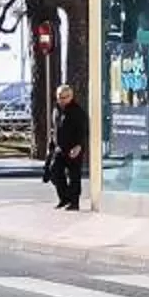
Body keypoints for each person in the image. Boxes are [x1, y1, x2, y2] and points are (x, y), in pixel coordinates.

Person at [48, 84, 87, 212]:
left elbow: (83, 130)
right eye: (60, 97)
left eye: (65, 97)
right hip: (60, 148)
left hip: (74, 148)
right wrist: (51, 146)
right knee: (54, 171)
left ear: (71, 97)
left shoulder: (77, 111)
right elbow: (54, 129)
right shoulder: (56, 110)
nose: (62, 100)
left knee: (74, 175)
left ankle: (74, 202)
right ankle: (64, 198)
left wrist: (79, 145)